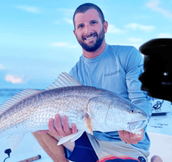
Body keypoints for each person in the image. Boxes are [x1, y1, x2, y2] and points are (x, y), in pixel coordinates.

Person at [32, 3, 161, 162]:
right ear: (75, 33)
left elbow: (141, 101)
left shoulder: (127, 55)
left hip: (124, 144)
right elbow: (75, 119)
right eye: (81, 26)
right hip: (92, 140)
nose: (87, 31)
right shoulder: (74, 75)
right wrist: (65, 129)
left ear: (105, 26)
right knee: (34, 117)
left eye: (93, 23)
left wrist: (139, 128)